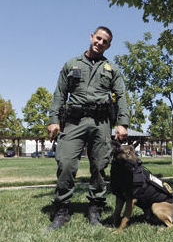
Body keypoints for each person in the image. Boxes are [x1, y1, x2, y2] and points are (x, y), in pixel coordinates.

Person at [47, 26, 129, 230]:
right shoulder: (71, 64)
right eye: (98, 38)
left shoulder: (112, 69)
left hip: (101, 123)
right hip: (74, 121)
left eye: (105, 41)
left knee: (100, 166)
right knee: (65, 163)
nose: (100, 43)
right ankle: (62, 209)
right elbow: (59, 94)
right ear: (92, 37)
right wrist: (54, 119)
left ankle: (95, 208)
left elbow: (121, 96)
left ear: (109, 45)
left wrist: (122, 123)